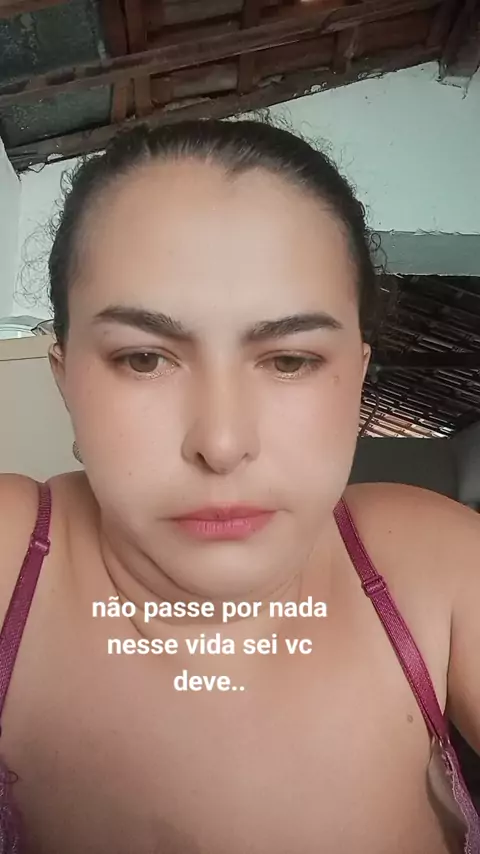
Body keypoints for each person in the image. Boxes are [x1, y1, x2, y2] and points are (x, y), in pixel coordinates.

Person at [0, 118, 479, 854]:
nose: (222, 445)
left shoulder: (438, 564)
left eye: (289, 360)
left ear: (356, 376)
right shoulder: (10, 560)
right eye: (143, 359)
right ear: (67, 382)